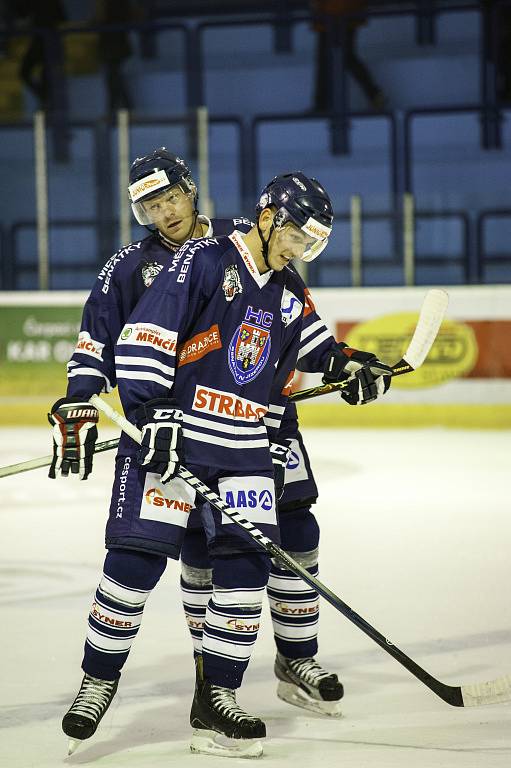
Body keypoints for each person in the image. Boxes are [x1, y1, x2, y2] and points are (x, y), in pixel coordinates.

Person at [49, 153, 392, 755]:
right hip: (175, 438)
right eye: (293, 236)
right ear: (266, 218)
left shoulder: (285, 284)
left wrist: (356, 366)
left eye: (308, 243)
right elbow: (139, 339)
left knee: (243, 569)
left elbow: (318, 348)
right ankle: (97, 681)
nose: (298, 251)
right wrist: (150, 413)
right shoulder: (202, 261)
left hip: (246, 444)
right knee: (135, 563)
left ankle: (217, 701)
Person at [311, 0, 386, 113]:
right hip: (341, 12)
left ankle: (321, 105)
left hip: (334, 13)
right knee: (343, 57)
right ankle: (374, 94)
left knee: (330, 59)